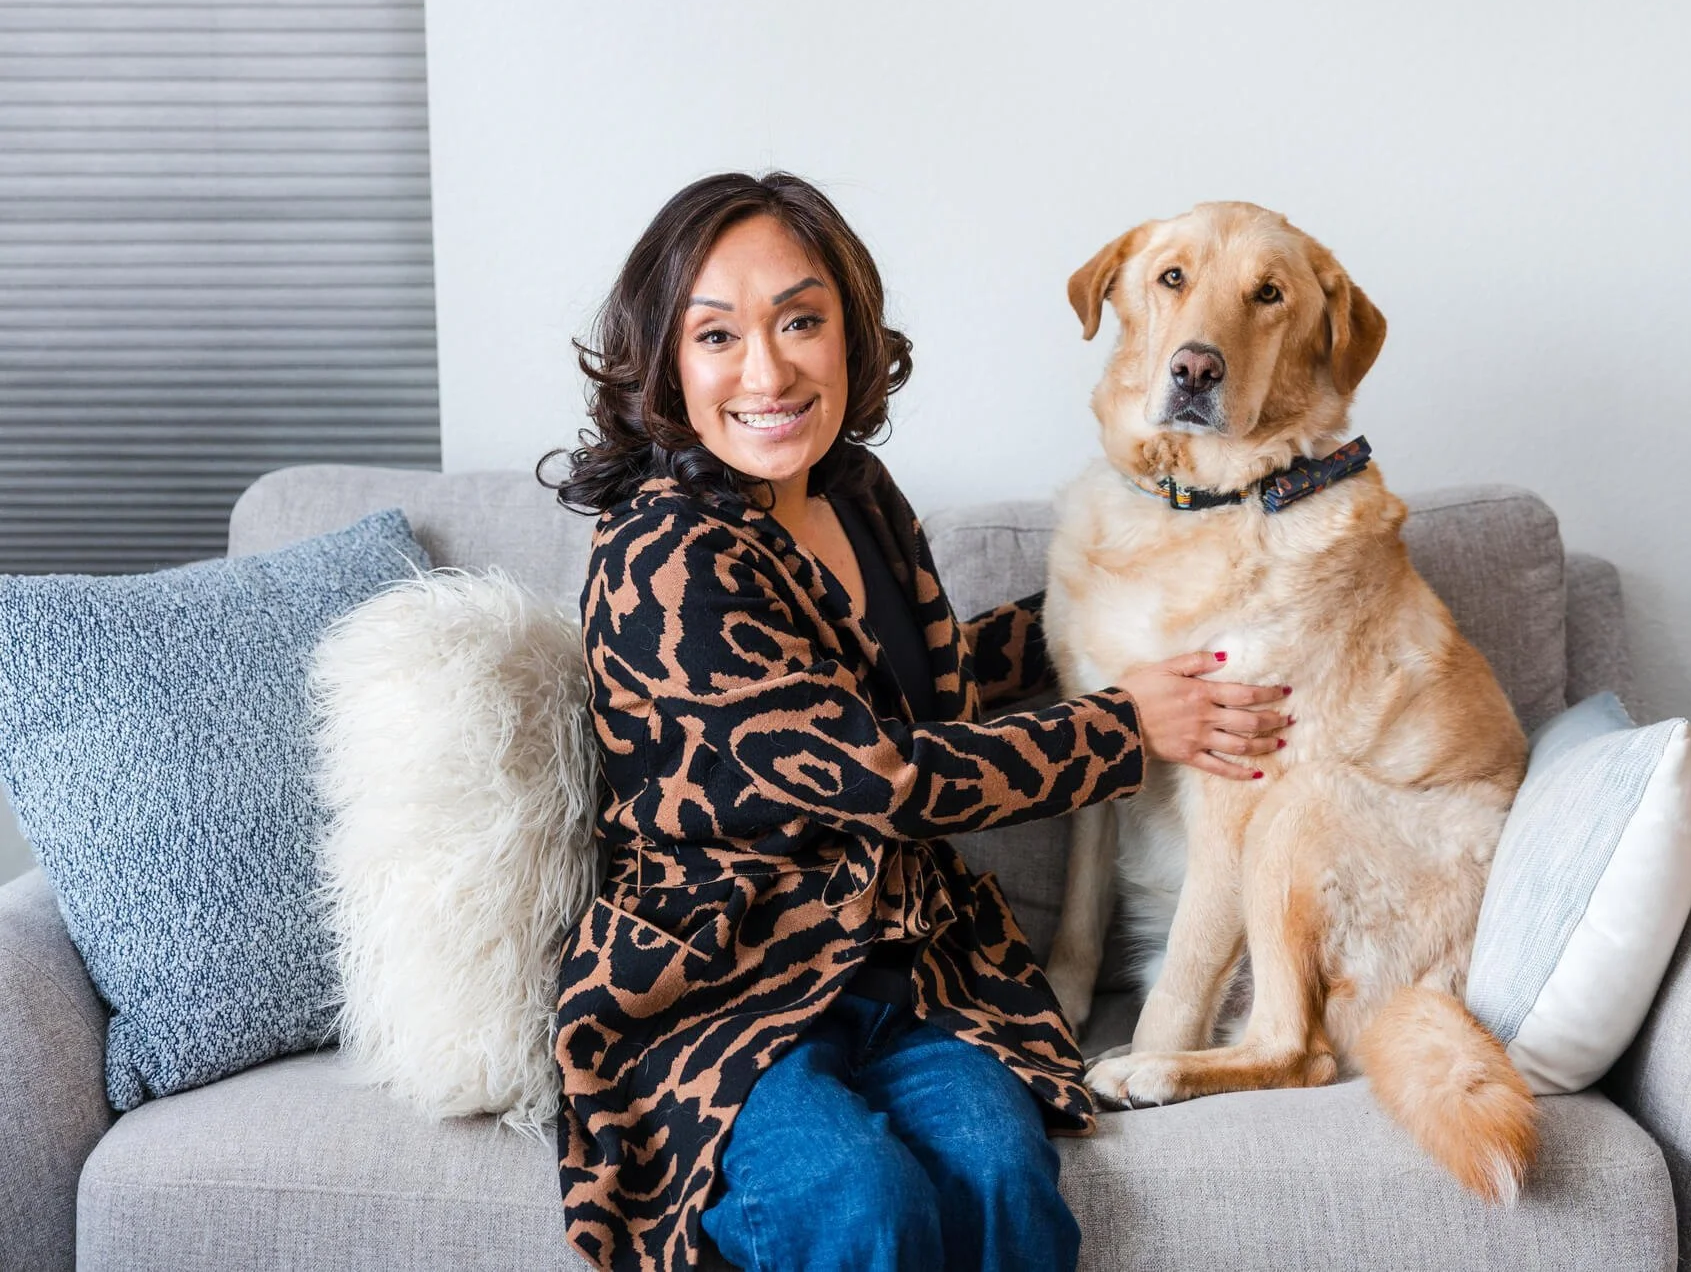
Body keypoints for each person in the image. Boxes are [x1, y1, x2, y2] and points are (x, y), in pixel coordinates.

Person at [540, 171, 1293, 1272]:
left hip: (903, 968)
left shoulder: (854, 492)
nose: (767, 372)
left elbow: (928, 684)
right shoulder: (664, 554)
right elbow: (881, 774)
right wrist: (1124, 726)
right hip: (720, 987)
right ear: (664, 361)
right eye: (717, 336)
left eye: (800, 322)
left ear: (850, 333)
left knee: (1001, 1176)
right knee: (862, 1202)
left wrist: (1121, 603)